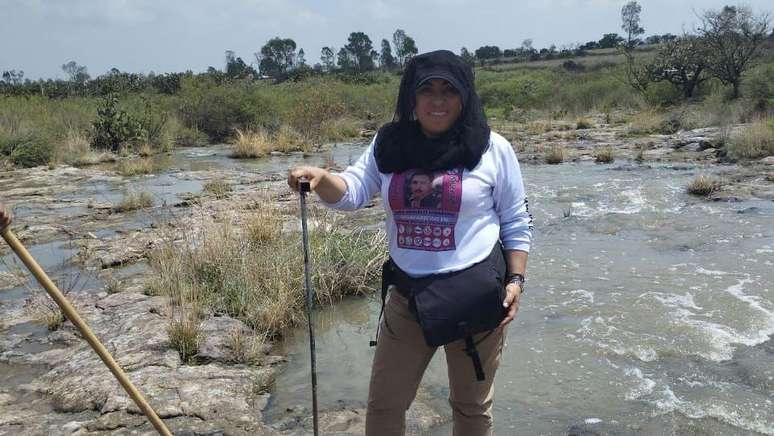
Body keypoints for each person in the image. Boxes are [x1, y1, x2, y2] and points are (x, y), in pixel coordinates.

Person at [288, 50, 532, 436]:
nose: (437, 101)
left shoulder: (492, 148)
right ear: (411, 97)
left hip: (476, 296)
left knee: (471, 410)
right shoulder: (388, 144)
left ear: (464, 96)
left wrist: (516, 282)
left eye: (448, 90)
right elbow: (351, 193)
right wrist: (320, 178)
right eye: (427, 90)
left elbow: (516, 221)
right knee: (384, 405)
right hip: (408, 296)